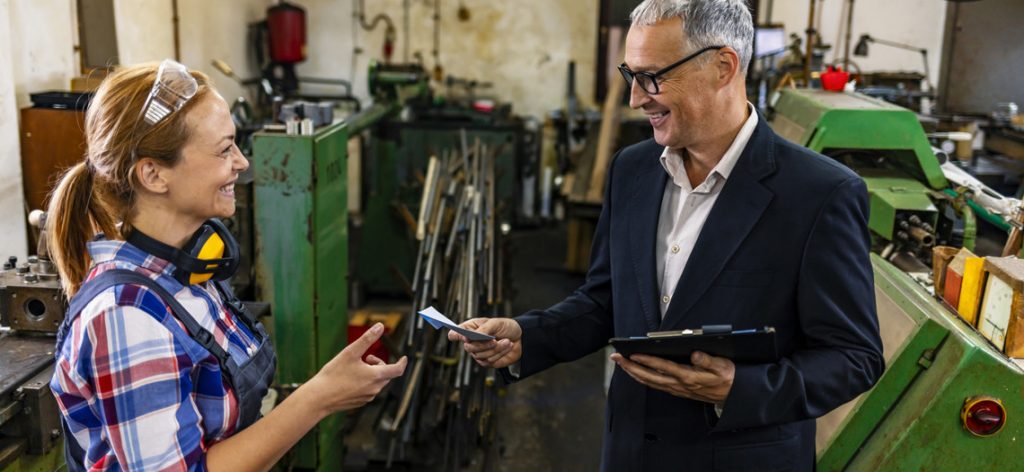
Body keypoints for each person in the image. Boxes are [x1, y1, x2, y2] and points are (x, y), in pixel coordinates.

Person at [448, 0, 884, 470]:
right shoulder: (633, 171)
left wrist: (741, 388)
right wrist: (526, 336)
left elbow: (853, 356)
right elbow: (605, 300)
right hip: (630, 452)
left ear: (723, 66)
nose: (636, 98)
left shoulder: (819, 194)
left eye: (652, 76)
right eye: (629, 74)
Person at [47, 60, 407, 471]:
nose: (242, 162)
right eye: (224, 149)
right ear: (153, 174)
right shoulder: (126, 317)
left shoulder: (186, 268)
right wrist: (319, 397)